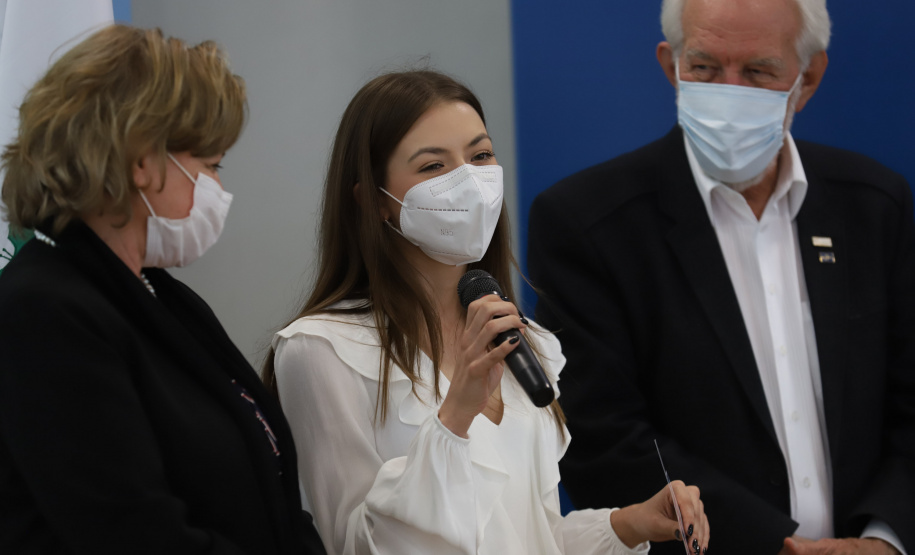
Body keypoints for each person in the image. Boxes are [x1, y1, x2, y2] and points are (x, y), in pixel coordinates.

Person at [264, 70, 710, 555]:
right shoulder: (321, 350)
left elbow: (530, 537)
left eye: (480, 156)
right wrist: (455, 415)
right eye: (434, 166)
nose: (470, 182)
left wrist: (629, 524)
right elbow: (349, 544)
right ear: (375, 201)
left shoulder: (523, 340)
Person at [527, 0, 915, 553]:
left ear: (807, 77)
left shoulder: (874, 205)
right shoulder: (587, 223)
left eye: (758, 71)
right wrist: (771, 546)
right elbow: (600, 438)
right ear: (671, 66)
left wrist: (885, 538)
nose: (730, 93)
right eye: (705, 68)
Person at [0, 25, 325, 554]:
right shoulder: (43, 310)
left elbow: (273, 487)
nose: (218, 188)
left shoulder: (162, 296)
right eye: (209, 164)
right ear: (142, 160)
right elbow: (132, 532)